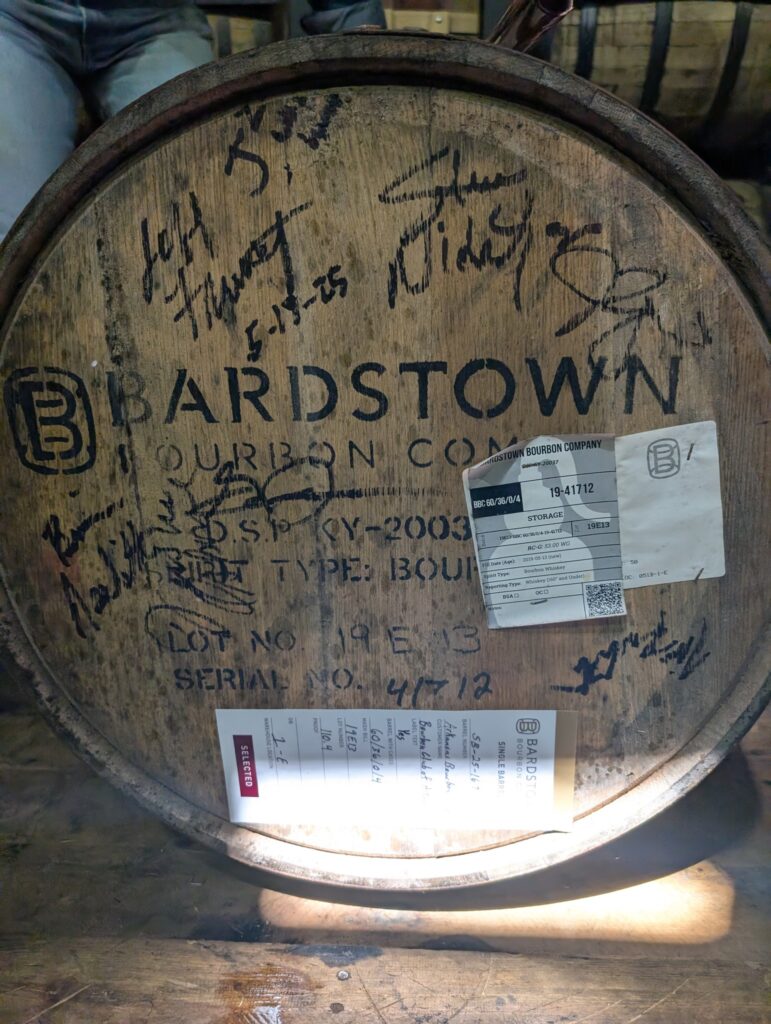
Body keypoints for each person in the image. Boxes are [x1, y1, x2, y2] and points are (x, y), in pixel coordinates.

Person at [0, 0, 385, 241]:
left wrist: (370, 60)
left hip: (153, 21)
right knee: (10, 224)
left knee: (207, 206)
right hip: (18, 19)